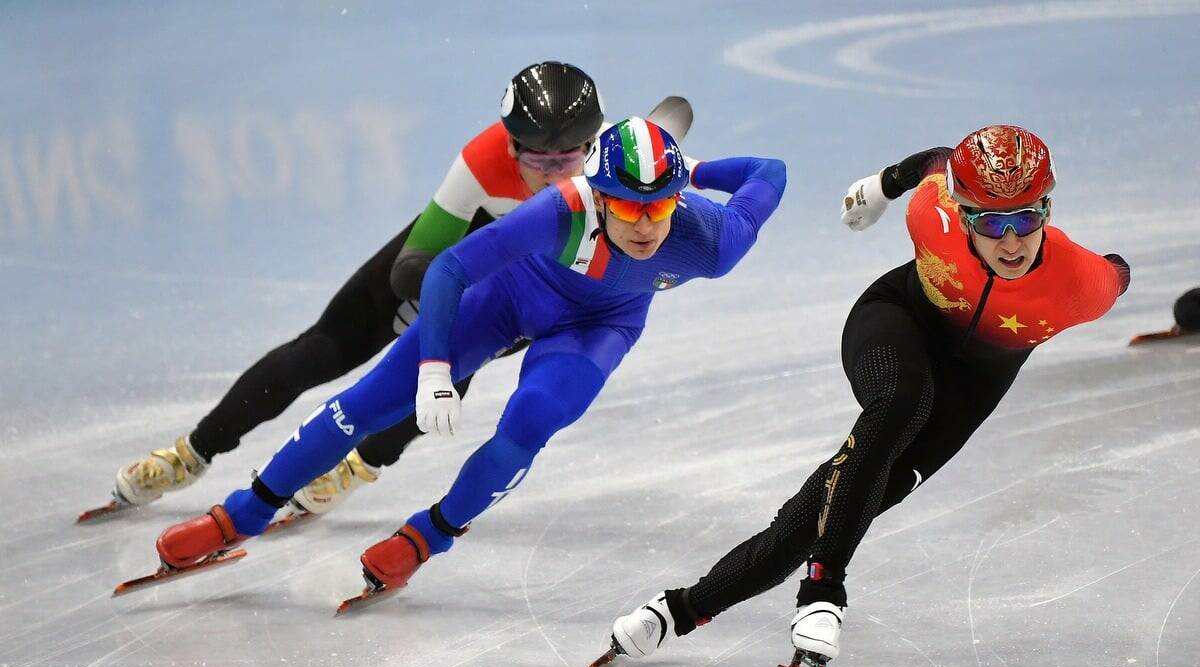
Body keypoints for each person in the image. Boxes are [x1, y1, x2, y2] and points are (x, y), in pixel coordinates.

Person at [145, 117, 787, 598]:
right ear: (597, 198)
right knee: (373, 401)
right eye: (625, 206)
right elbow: (451, 268)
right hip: (511, 297)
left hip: (598, 324)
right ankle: (243, 514)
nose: (646, 226)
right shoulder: (558, 213)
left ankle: (429, 535)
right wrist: (432, 369)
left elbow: (771, 171)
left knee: (532, 419)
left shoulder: (712, 240)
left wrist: (697, 173)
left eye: (661, 204)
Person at [601, 125, 1130, 667]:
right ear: (961, 209)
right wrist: (880, 187)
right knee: (902, 402)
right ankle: (824, 593)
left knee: (813, 517)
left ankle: (676, 611)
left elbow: (1118, 274)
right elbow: (935, 161)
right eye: (990, 221)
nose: (1010, 241)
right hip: (895, 321)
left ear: (1046, 209)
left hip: (968, 392)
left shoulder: (1082, 284)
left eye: (1025, 219)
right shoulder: (933, 211)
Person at [101, 61, 605, 518]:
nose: (552, 176)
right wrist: (433, 298)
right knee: (322, 349)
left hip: (534, 271)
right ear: (511, 144)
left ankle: (360, 465)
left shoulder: (618, 164)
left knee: (447, 371)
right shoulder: (481, 161)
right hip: (464, 246)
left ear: (589, 147)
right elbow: (412, 263)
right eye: (538, 161)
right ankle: (192, 452)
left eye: (567, 161)